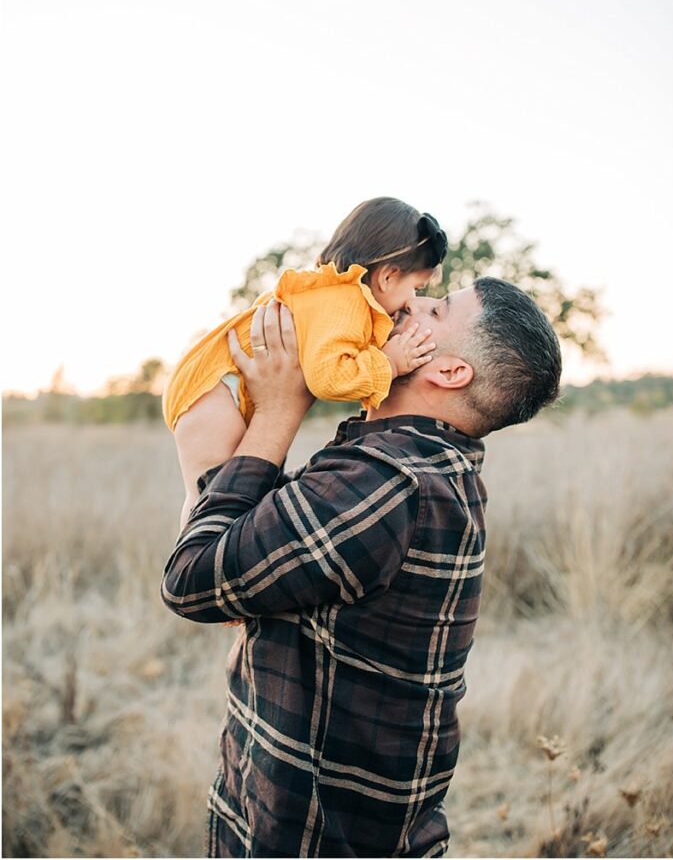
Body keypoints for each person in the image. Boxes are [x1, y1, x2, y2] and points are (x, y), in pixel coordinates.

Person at [161, 277, 562, 859]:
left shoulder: (388, 483)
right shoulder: (423, 466)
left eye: (437, 308)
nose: (409, 302)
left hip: (310, 838)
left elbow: (192, 580)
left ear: (450, 372)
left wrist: (279, 408)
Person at [161, 197, 448, 526]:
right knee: (212, 496)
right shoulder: (347, 303)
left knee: (224, 493)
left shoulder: (337, 299)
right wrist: (389, 364)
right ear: (387, 277)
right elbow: (328, 378)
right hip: (216, 388)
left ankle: (205, 560)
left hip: (220, 386)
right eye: (417, 287)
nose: (414, 301)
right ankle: (195, 568)